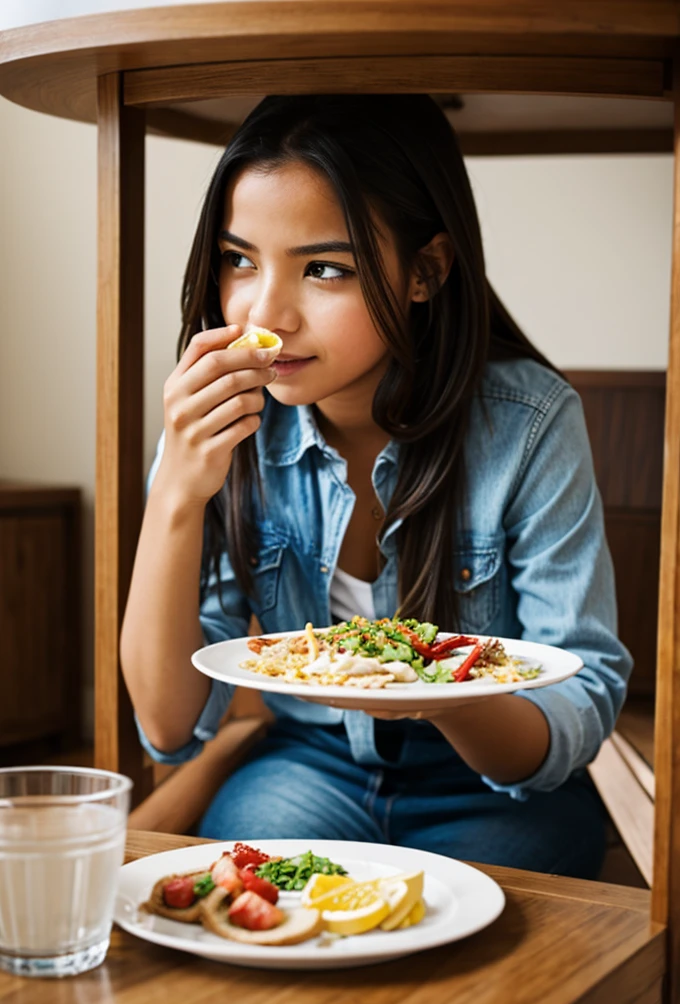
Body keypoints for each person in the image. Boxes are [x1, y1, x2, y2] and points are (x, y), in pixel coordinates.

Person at [120, 94, 632, 879]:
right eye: (240, 260)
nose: (265, 314)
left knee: (500, 927)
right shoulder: (219, 418)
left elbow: (579, 698)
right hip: (311, 763)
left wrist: (433, 692)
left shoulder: (527, 423)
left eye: (325, 268)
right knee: (254, 884)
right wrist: (176, 497)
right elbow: (167, 725)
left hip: (492, 788)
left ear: (425, 271)